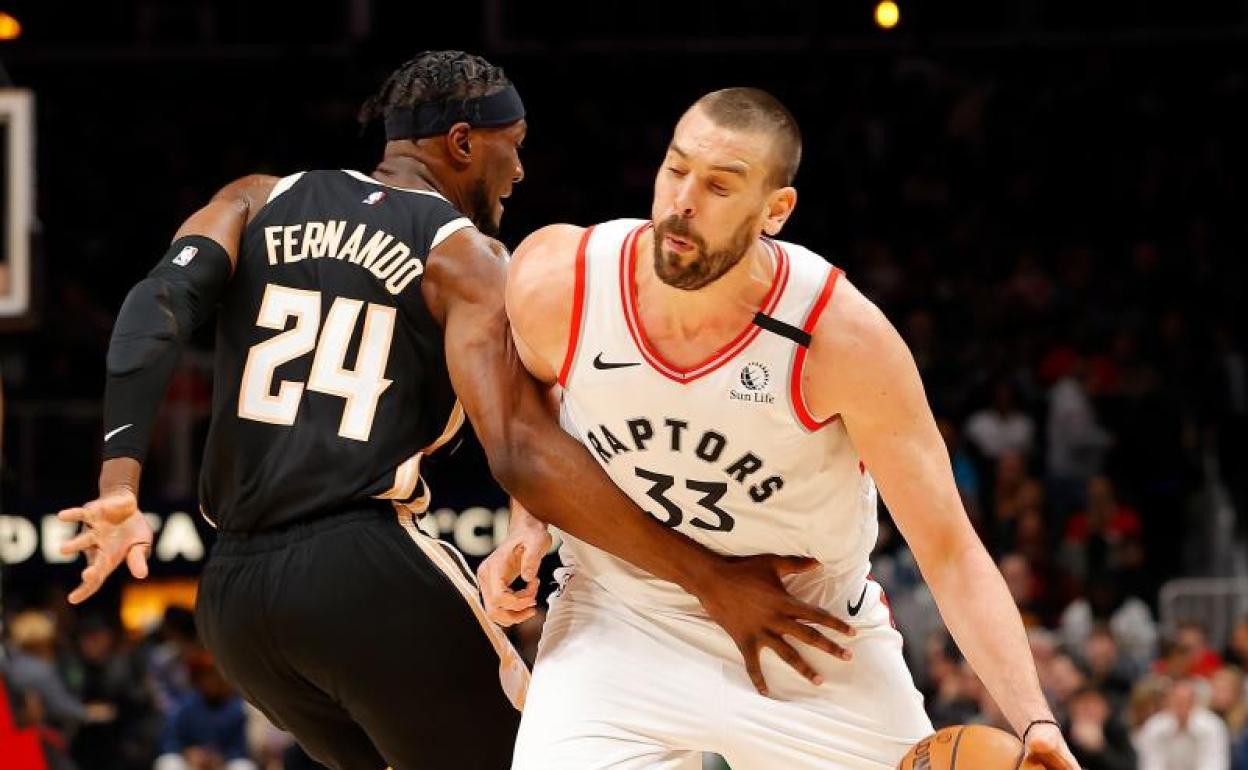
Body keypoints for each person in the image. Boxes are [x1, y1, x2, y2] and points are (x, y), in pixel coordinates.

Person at [56, 53, 853, 770]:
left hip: (231, 604)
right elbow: (518, 449)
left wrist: (120, 480)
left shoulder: (257, 198)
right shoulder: (462, 255)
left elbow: (156, 305)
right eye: (516, 143)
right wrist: (711, 580)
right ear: (464, 143)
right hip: (359, 571)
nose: (521, 170)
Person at [483, 87, 1081, 768]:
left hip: (809, 636)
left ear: (776, 210)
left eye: (719, 186)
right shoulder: (561, 280)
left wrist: (1033, 714)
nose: (683, 201)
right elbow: (534, 415)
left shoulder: (842, 339)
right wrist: (527, 528)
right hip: (618, 621)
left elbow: (947, 547)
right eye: (676, 169)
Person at [1135, 678, 1230, 770]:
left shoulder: (1213, 726)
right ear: (1169, 702)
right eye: (1177, 702)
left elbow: (1215, 765)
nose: (1182, 707)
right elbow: (1150, 765)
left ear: (1195, 703)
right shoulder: (1154, 727)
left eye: (1187, 702)